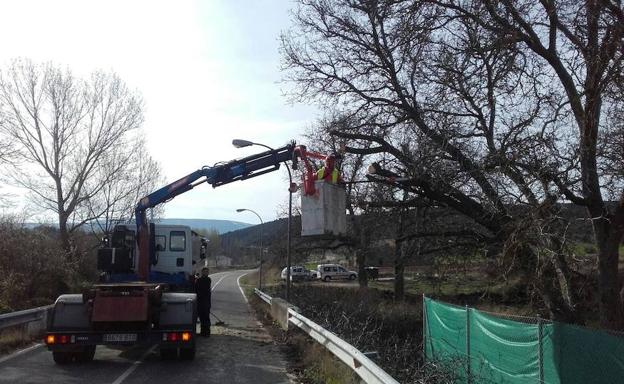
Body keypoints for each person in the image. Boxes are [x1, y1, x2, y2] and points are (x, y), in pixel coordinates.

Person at [194, 267, 212, 337]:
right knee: (202, 318)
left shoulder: (208, 280)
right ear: (202, 272)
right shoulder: (200, 280)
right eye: (205, 272)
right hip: (201, 302)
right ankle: (203, 332)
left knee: (206, 318)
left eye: (207, 272)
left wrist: (197, 278)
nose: (206, 273)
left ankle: (206, 333)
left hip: (205, 302)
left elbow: (198, 286)